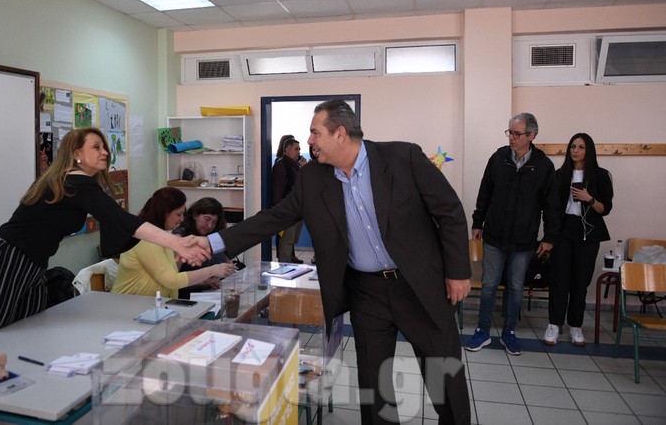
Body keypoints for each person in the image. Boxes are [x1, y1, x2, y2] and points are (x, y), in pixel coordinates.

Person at [199, 99, 472, 425]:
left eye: (315, 132)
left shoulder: (403, 158)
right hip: (367, 293)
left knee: (444, 375)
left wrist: (458, 272)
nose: (309, 140)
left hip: (419, 286)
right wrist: (211, 243)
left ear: (340, 133)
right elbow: (273, 218)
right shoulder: (313, 178)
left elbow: (449, 211)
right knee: (375, 386)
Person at [0, 127, 209, 342]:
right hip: (8, 259)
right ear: (76, 153)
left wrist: (175, 242)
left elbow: (115, 225)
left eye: (105, 147)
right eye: (96, 147)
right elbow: (121, 219)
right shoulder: (72, 181)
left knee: (23, 331)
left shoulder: (77, 184)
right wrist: (176, 242)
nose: (105, 152)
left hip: (32, 264)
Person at [467, 113, 560, 356]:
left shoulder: (543, 166)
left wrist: (549, 237)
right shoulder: (498, 159)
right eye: (510, 132)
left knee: (516, 287)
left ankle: (509, 332)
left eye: (517, 134)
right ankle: (482, 330)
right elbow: (485, 192)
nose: (512, 138)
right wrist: (477, 221)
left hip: (524, 240)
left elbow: (551, 205)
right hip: (494, 235)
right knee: (489, 285)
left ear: (532, 135)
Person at [543, 133, 613, 347]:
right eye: (573, 146)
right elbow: (550, 208)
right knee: (559, 280)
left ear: (588, 150)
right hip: (563, 231)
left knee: (580, 281)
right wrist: (549, 236)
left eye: (581, 147)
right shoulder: (559, 175)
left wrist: (588, 198)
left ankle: (575, 325)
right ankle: (554, 324)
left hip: (588, 233)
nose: (576, 151)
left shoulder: (601, 175)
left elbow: (605, 209)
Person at [111, 188, 236, 298]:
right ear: (164, 212)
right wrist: (212, 270)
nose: (182, 219)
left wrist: (203, 281)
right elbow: (172, 281)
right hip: (131, 306)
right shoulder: (146, 240)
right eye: (178, 214)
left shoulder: (162, 236)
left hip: (152, 305)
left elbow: (172, 276)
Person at [173, 197, 233, 298]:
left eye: (214, 222)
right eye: (207, 219)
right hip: (190, 297)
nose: (209, 226)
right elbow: (173, 280)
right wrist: (203, 281)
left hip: (216, 292)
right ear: (195, 215)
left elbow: (227, 261)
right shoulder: (181, 238)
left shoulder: (213, 236)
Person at [271, 136, 306, 263]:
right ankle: (284, 266)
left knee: (291, 240)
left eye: (299, 149)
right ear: (287, 150)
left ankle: (288, 263)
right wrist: (281, 212)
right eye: (296, 149)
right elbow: (277, 191)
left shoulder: (295, 165)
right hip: (287, 211)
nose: (299, 152)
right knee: (286, 240)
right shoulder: (281, 165)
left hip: (296, 209)